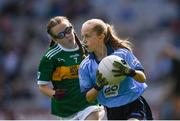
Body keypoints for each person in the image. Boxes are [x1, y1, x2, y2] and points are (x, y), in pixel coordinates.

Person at [78, 18, 153, 120]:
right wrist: (98, 86)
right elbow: (89, 98)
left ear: (101, 36)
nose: (84, 41)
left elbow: (142, 78)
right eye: (83, 36)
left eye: (87, 36)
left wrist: (129, 71)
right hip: (113, 110)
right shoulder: (85, 66)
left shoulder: (122, 54)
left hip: (133, 104)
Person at [37, 16, 104, 120]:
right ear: (55, 39)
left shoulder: (88, 49)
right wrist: (54, 94)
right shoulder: (50, 57)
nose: (67, 36)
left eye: (68, 30)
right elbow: (42, 86)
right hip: (66, 109)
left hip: (89, 103)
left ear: (72, 27)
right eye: (61, 35)